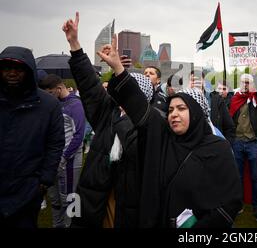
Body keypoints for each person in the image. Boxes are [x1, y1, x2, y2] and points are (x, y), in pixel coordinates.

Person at [93, 35, 243, 228]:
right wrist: (118, 69)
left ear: (197, 114)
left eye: (181, 109)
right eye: (171, 109)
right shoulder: (162, 136)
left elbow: (230, 203)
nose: (174, 114)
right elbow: (138, 104)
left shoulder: (218, 148)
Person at [62, 12, 153, 228]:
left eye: (131, 94)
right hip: (95, 198)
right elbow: (90, 86)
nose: (124, 99)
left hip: (130, 203)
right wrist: (75, 44)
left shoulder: (150, 126)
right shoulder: (107, 114)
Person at [0, 47, 65, 227]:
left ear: (29, 71)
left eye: (18, 68)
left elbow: (55, 144)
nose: (12, 73)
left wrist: (44, 179)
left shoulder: (48, 105)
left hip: (27, 189)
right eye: (6, 68)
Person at [39, 74, 86, 228]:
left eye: (50, 93)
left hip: (69, 161)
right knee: (54, 198)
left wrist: (64, 158)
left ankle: (72, 225)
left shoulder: (76, 105)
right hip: (52, 159)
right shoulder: (55, 104)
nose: (48, 97)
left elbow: (79, 136)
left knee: (71, 198)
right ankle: (57, 224)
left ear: (59, 89)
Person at [229, 73, 257, 222]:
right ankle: (238, 203)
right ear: (240, 83)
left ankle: (256, 205)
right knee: (237, 175)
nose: (246, 85)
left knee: (256, 176)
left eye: (249, 82)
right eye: (244, 82)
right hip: (237, 142)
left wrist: (256, 73)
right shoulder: (233, 99)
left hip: (254, 142)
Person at [190, 70, 235, 143]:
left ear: (203, 81)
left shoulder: (216, 100)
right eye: (192, 80)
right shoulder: (183, 101)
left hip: (215, 145)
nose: (196, 83)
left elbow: (229, 127)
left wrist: (225, 145)